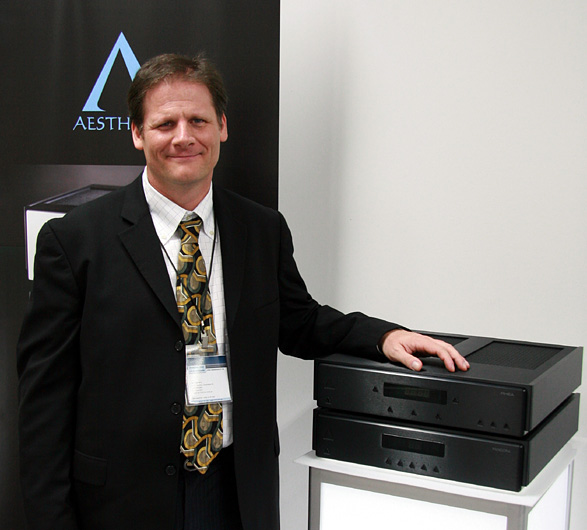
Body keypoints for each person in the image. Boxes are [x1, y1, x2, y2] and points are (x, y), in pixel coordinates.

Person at [17, 53, 469, 530]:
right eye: (165, 123)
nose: (183, 137)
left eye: (198, 120)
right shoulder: (74, 241)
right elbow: (44, 403)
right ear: (137, 133)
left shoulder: (260, 229)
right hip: (121, 503)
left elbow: (300, 321)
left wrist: (383, 337)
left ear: (222, 127)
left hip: (236, 491)